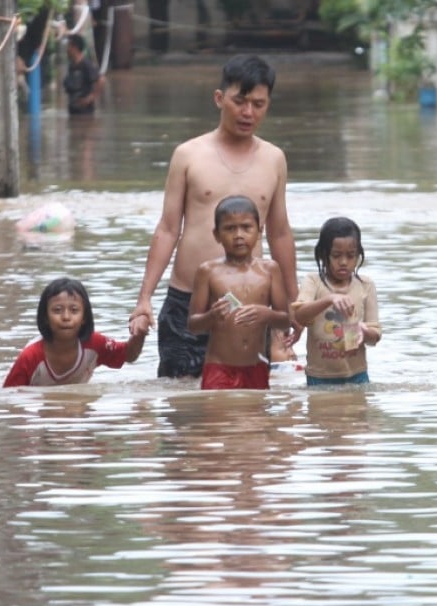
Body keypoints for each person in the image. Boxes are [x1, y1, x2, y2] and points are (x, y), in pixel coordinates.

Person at [129, 54, 297, 378]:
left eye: (259, 104)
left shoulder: (274, 159)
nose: (248, 112)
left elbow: (279, 233)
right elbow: (167, 229)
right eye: (240, 101)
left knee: (247, 405)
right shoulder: (189, 155)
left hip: (251, 303)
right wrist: (144, 298)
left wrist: (293, 302)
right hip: (188, 300)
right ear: (220, 99)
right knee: (183, 408)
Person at [187, 195, 291, 390]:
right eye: (229, 228)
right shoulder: (208, 271)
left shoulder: (270, 270)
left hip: (256, 366)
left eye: (246, 227)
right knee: (218, 419)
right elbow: (193, 325)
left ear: (259, 231)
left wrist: (266, 315)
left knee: (256, 418)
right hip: (218, 367)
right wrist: (212, 316)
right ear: (216, 235)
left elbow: (285, 320)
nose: (238, 235)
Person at [3, 277, 145, 387]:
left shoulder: (95, 344)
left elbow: (129, 355)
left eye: (74, 310)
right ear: (45, 317)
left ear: (84, 317)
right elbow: (10, 397)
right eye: (57, 310)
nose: (66, 317)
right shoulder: (30, 356)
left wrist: (140, 333)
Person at [290, 217, 381, 386]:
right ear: (324, 255)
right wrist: (329, 299)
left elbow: (375, 337)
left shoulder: (365, 285)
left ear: (358, 255)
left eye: (351, 256)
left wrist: (364, 332)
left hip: (357, 376)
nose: (344, 262)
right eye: (336, 255)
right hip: (319, 377)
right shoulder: (313, 282)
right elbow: (300, 316)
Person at [63, 35, 105, 116]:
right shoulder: (71, 66)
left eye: (69, 46)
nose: (67, 49)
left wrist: (89, 98)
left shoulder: (86, 65)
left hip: (85, 112)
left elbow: (101, 80)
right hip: (73, 111)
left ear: (75, 48)